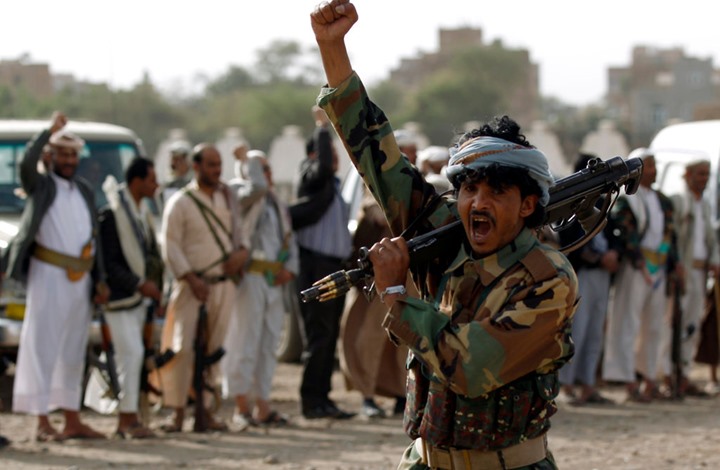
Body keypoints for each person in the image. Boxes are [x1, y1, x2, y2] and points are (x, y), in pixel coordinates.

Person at [310, 2, 578, 468]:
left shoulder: (547, 279)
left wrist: (396, 294)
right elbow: (376, 156)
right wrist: (332, 48)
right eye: (470, 189)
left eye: (497, 192)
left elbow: (471, 369)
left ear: (528, 204)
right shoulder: (446, 236)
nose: (478, 203)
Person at [6, 111, 109, 441]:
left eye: (72, 155)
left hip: (81, 280)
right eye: (62, 155)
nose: (68, 161)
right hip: (48, 276)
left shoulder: (83, 190)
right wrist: (48, 131)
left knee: (73, 349)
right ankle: (42, 421)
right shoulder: (42, 186)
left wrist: (100, 279)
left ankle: (72, 419)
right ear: (50, 156)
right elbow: (27, 164)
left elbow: (93, 237)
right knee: (42, 346)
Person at [154, 143, 249, 432]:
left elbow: (241, 238)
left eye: (219, 164)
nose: (217, 170)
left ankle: (206, 411)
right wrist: (191, 279)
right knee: (183, 350)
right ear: (196, 167)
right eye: (211, 165)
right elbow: (170, 246)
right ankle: (177, 413)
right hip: (191, 286)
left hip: (222, 285)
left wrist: (240, 256)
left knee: (213, 350)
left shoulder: (227, 199)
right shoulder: (180, 202)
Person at [85, 157, 164, 438]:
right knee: (130, 354)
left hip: (138, 302)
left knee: (134, 356)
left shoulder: (140, 215)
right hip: (118, 300)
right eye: (152, 180)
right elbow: (110, 263)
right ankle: (126, 419)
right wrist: (138, 284)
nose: (156, 185)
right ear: (137, 181)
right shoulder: (112, 215)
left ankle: (130, 417)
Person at [222, 149, 299, 429]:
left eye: (267, 168)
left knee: (268, 344)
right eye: (261, 168)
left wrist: (290, 268)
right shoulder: (238, 193)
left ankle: (263, 405)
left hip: (273, 280)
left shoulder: (276, 202)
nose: (267, 174)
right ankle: (241, 405)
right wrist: (249, 161)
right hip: (250, 278)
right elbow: (255, 188)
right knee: (245, 340)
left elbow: (288, 238)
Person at [601, 149, 677, 402]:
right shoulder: (626, 201)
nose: (654, 171)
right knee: (628, 323)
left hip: (658, 268)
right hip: (635, 268)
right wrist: (641, 263)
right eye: (650, 166)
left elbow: (669, 233)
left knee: (655, 326)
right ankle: (628, 381)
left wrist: (666, 263)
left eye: (655, 166)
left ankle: (650, 378)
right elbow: (626, 233)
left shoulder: (663, 201)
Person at [293, 106, 354, 420]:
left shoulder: (332, 186)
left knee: (328, 336)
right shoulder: (312, 177)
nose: (335, 159)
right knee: (318, 335)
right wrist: (321, 127)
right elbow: (322, 166)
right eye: (329, 152)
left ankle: (323, 398)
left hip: (332, 267)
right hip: (315, 266)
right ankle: (311, 400)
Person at [339, 189, 410, 419]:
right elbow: (373, 217)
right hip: (376, 283)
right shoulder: (374, 199)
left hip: (406, 281)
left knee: (404, 340)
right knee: (369, 338)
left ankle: (402, 395)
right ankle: (367, 396)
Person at [558, 154, 619, 405]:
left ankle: (588, 384)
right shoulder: (569, 204)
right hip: (580, 274)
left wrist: (613, 254)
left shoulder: (603, 202)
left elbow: (614, 235)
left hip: (602, 276)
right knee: (577, 330)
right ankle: (566, 384)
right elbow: (569, 242)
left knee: (594, 331)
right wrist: (597, 258)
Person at [662, 159, 719, 395]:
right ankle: (667, 375)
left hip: (700, 272)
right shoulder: (678, 201)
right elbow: (671, 236)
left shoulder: (704, 205)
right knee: (673, 323)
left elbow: (710, 240)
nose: (704, 178)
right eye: (700, 174)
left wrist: (714, 261)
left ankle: (685, 375)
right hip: (681, 271)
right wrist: (674, 264)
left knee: (692, 325)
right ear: (688, 175)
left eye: (707, 174)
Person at [159, 141, 193, 208]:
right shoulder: (166, 187)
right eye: (175, 159)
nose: (178, 164)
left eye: (181, 160)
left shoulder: (194, 184)